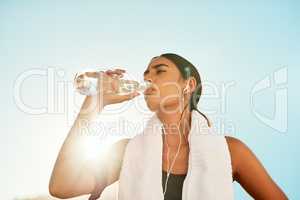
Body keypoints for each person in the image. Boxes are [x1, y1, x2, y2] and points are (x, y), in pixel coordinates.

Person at [49, 53, 288, 200]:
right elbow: (61, 186)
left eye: (160, 71)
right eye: (146, 74)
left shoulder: (231, 151)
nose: (148, 79)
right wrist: (93, 103)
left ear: (188, 84)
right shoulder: (126, 151)